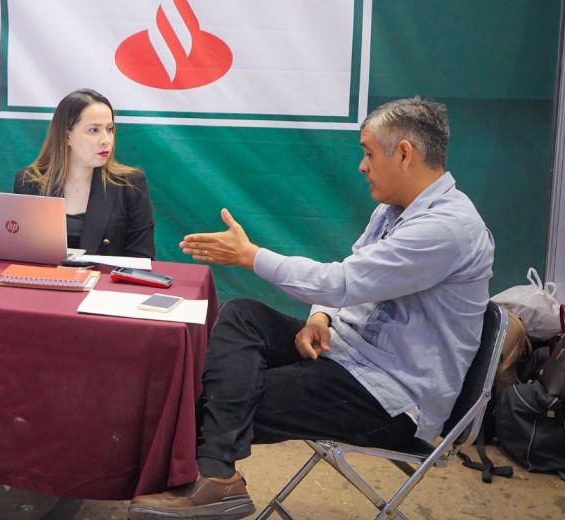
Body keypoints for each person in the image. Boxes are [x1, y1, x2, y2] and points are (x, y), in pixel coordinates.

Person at [128, 97, 494, 520]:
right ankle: (218, 478)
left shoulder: (446, 228)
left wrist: (250, 256)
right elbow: (354, 273)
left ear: (405, 153)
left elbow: (342, 282)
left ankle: (212, 476)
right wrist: (321, 316)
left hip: (392, 396)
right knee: (242, 314)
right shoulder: (394, 211)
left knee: (220, 403)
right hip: (347, 354)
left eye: (368, 153)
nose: (362, 166)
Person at [14, 88, 155, 258]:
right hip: (44, 275)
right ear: (66, 136)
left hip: (104, 276)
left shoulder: (130, 184)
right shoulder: (29, 182)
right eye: (94, 130)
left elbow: (142, 258)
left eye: (110, 129)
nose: (106, 140)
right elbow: (19, 252)